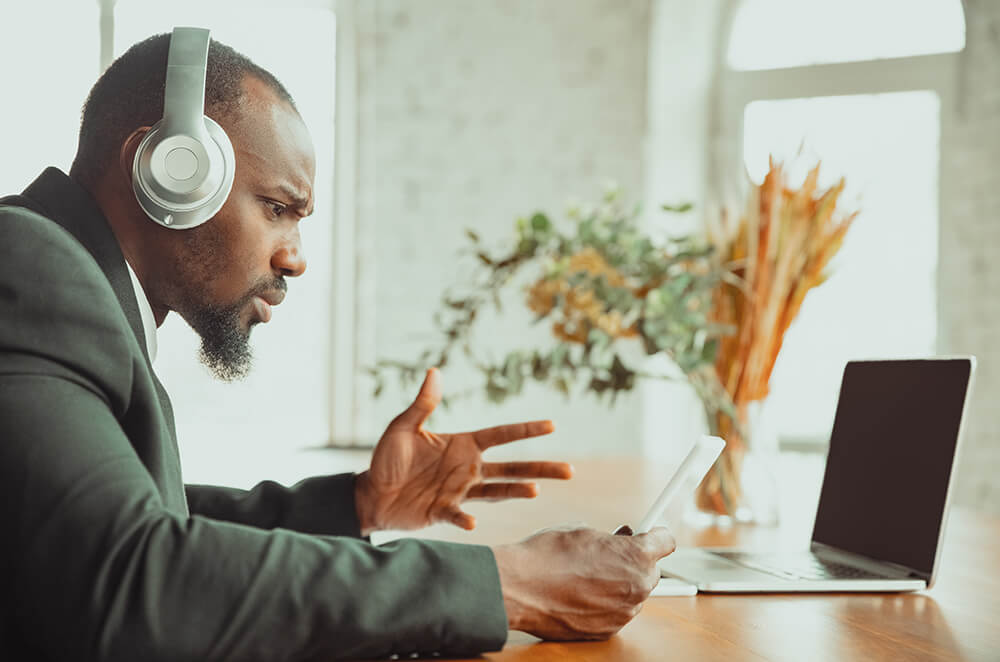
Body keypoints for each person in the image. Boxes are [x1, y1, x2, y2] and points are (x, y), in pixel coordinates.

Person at [0, 33, 676, 661]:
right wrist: (510, 583)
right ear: (167, 169)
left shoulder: (61, 278)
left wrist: (358, 507)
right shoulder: (27, 267)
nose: (294, 259)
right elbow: (126, 576)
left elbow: (138, 518)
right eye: (277, 207)